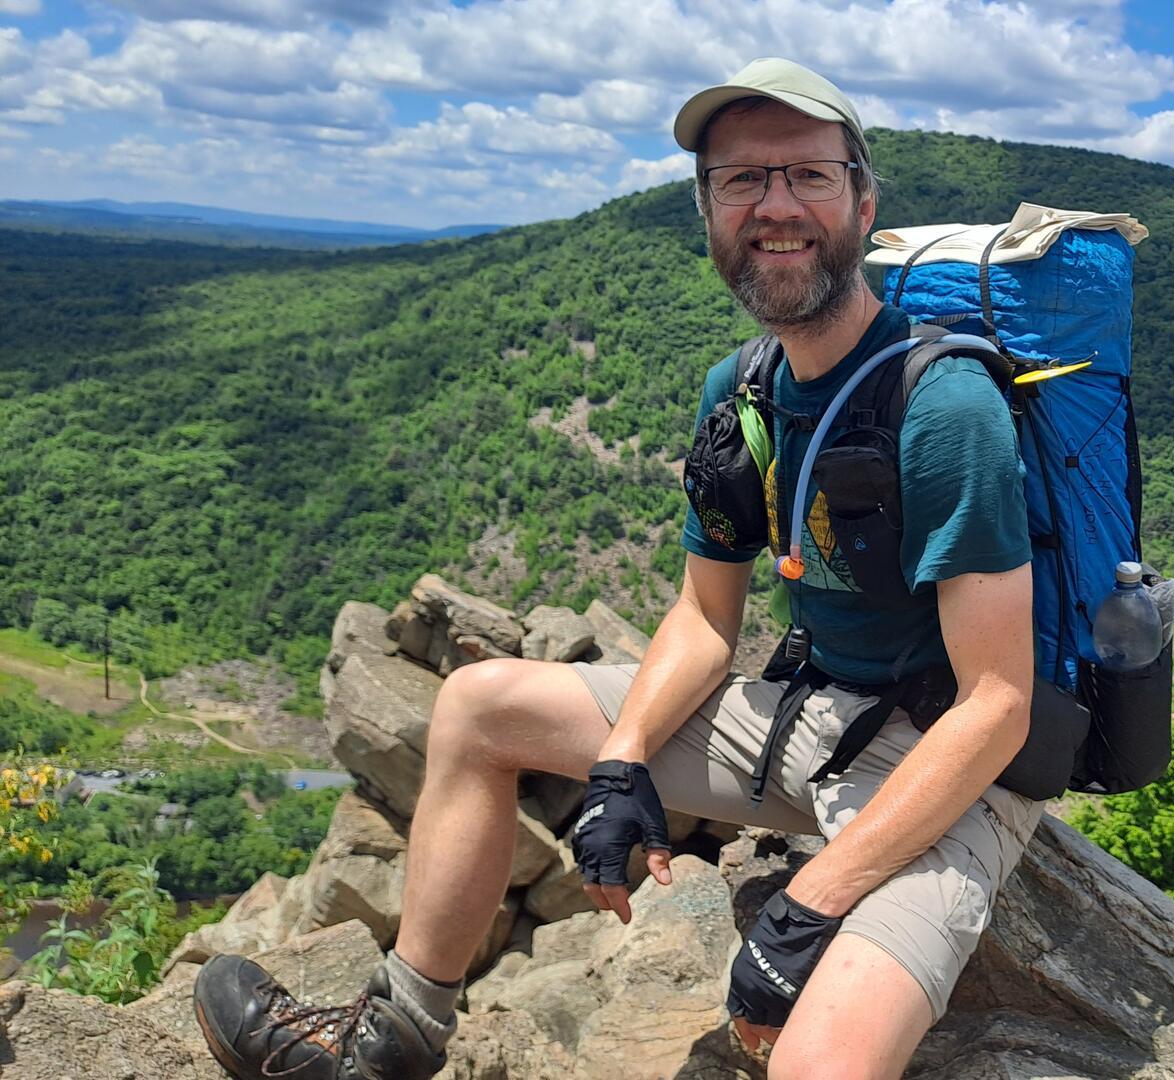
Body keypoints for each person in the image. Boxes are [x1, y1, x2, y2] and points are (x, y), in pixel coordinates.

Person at [192, 57, 1041, 1080]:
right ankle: (394, 1039)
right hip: (811, 715)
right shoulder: (744, 390)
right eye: (741, 181)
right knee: (474, 708)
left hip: (945, 769)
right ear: (707, 212)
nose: (775, 206)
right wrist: (624, 758)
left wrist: (809, 905)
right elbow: (702, 613)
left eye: (808, 176)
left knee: (817, 1064)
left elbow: (998, 704)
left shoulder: (946, 408)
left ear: (864, 200)